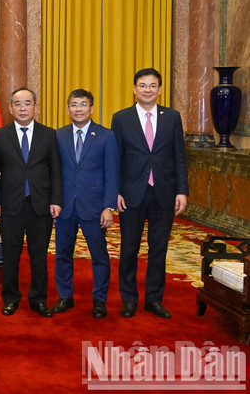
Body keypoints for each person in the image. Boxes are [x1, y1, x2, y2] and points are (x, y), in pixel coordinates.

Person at [111, 68, 188, 319]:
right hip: (131, 194)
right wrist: (116, 191)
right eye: (142, 85)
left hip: (163, 193)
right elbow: (116, 159)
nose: (147, 90)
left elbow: (179, 157)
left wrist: (182, 191)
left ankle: (154, 299)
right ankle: (129, 299)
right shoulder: (121, 118)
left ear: (160, 90)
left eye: (152, 85)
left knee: (159, 249)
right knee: (129, 248)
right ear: (134, 89)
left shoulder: (172, 117)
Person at [0, 88, 63, 317]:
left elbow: (56, 172)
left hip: (40, 205)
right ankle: (10, 299)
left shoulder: (49, 134)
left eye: (27, 103)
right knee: (10, 255)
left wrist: (56, 200)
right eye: (18, 104)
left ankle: (38, 299)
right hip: (10, 205)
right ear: (10, 108)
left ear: (35, 106)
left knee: (39, 255)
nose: (23, 108)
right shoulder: (0, 135)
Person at [52, 89, 119, 318]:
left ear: (91, 108)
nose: (78, 108)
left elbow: (112, 173)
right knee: (62, 254)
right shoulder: (58, 135)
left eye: (83, 104)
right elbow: (54, 173)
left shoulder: (106, 136)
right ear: (68, 108)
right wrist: (54, 201)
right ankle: (65, 297)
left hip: (95, 207)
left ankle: (99, 300)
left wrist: (108, 207)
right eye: (73, 104)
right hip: (65, 207)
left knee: (99, 256)